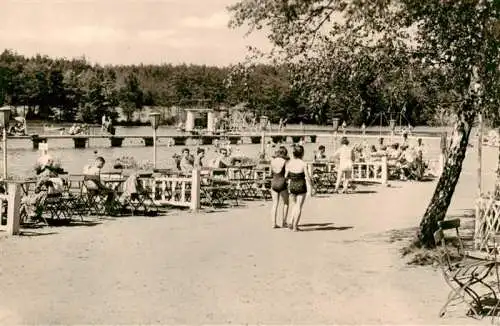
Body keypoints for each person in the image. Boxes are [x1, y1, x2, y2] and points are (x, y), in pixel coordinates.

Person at [285, 145, 312, 232]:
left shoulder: (289, 163)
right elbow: (307, 177)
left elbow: (286, 176)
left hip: (292, 185)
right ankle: (295, 226)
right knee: (299, 206)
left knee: (294, 205)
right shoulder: (304, 164)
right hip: (301, 185)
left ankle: (290, 221)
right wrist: (312, 186)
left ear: (293, 154)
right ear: (302, 153)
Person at [270, 146, 289, 229]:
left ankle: (273, 223)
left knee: (275, 204)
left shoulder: (272, 161)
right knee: (286, 203)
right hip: (282, 182)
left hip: (274, 182)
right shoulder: (285, 161)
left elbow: (270, 173)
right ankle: (284, 222)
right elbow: (286, 175)